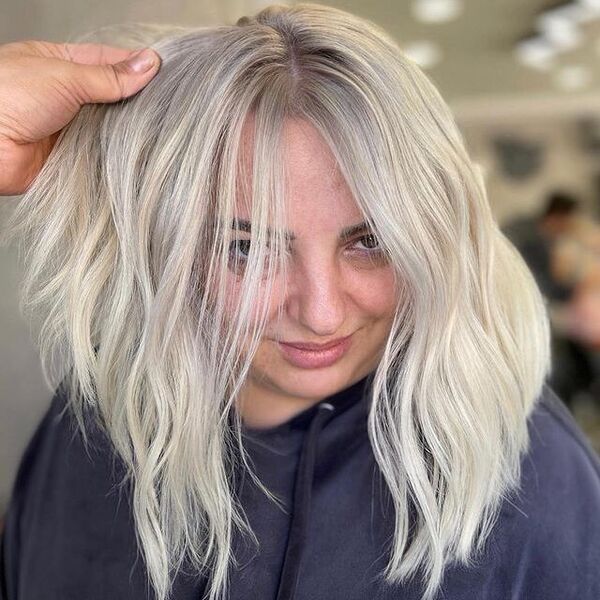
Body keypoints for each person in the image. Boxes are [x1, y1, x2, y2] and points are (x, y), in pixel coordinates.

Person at [1, 4, 600, 600]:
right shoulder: (104, 407)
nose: (322, 313)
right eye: (248, 247)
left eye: (371, 241)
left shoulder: (532, 481)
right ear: (165, 248)